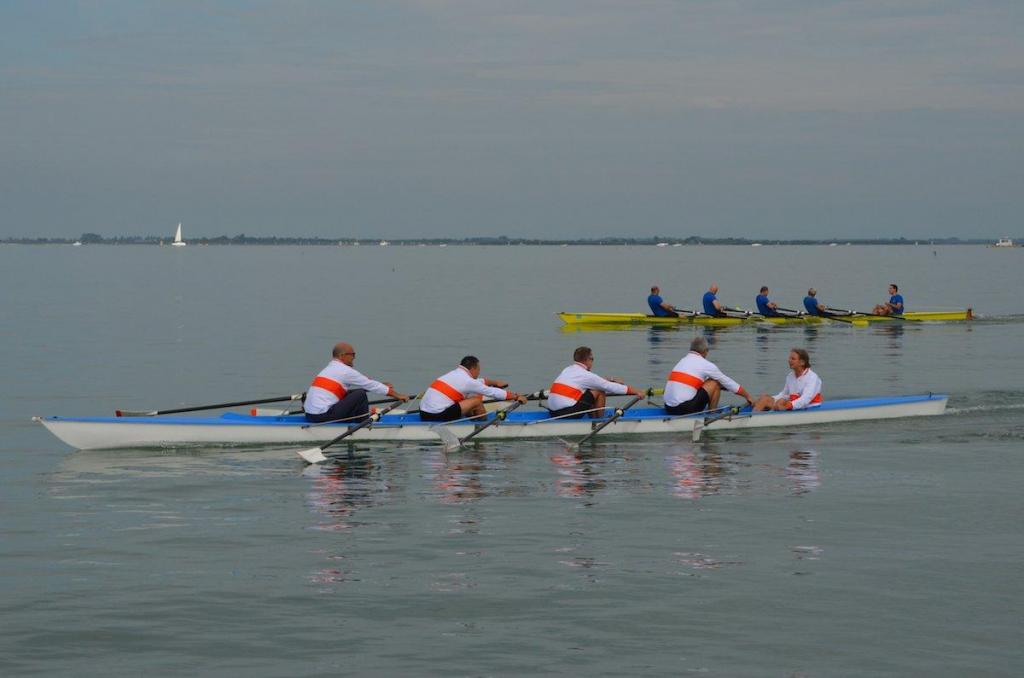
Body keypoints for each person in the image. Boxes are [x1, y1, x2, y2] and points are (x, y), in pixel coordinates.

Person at [303, 342, 410, 423]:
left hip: (309, 415)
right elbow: (370, 384)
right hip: (322, 417)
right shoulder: (345, 371)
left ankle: (356, 417)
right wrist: (398, 396)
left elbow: (367, 383)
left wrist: (381, 385)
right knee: (360, 394)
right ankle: (363, 423)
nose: (354, 357)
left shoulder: (329, 369)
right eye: (352, 354)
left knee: (353, 393)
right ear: (342, 356)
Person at [419, 356, 528, 422]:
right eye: (479, 369)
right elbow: (492, 392)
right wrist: (516, 397)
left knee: (469, 398)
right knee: (476, 401)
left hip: (423, 412)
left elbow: (479, 382)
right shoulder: (468, 381)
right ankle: (483, 424)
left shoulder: (455, 374)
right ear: (473, 368)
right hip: (436, 415)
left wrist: (496, 383)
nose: (479, 372)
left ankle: (472, 417)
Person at [663, 336, 754, 415]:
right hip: (684, 409)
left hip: (668, 407)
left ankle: (712, 411)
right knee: (715, 382)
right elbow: (728, 382)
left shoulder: (682, 361)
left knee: (714, 382)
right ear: (705, 351)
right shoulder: (706, 365)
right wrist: (747, 396)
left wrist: (724, 386)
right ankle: (712, 413)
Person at [547, 346, 644, 419]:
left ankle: (593, 416)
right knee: (599, 390)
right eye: (592, 359)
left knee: (591, 388)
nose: (592, 362)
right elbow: (608, 386)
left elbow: (596, 381)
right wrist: (636, 391)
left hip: (552, 413)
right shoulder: (586, 375)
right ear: (586, 360)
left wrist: (612, 379)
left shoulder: (567, 370)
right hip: (566, 414)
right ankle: (599, 421)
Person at [753, 348, 822, 411]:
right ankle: (754, 414)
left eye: (793, 359)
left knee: (779, 403)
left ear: (802, 362)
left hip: (810, 407)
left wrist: (788, 405)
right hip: (794, 405)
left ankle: (754, 417)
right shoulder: (790, 376)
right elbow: (784, 394)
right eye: (789, 358)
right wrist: (769, 399)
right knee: (764, 399)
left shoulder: (812, 377)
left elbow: (805, 399)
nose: (789, 360)